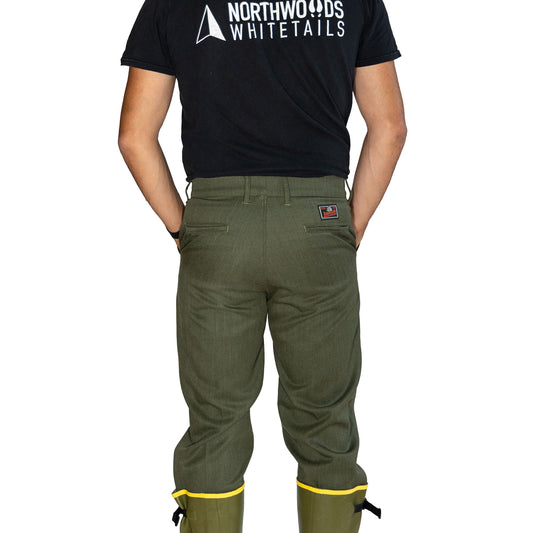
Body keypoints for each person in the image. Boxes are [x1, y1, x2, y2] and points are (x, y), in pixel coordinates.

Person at [118, 0, 406, 531]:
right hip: (319, 221)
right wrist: (349, 225)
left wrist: (184, 229)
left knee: (215, 424)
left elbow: (134, 137)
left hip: (217, 227)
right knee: (326, 423)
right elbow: (389, 127)